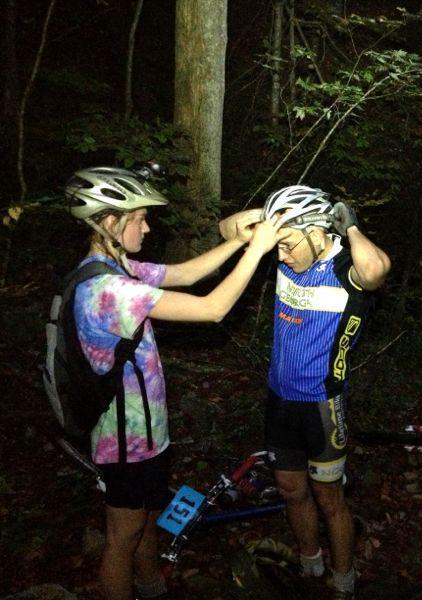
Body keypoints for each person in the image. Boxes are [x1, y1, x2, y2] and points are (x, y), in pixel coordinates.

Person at [65, 164, 276, 600]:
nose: (147, 227)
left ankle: (152, 588)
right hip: (123, 441)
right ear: (111, 222)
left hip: (145, 436)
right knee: (122, 537)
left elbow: (186, 274)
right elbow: (213, 308)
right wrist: (257, 251)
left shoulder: (117, 267)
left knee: (143, 521)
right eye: (139, 218)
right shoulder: (107, 290)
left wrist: (238, 241)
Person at [255, 185, 390, 600]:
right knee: (290, 490)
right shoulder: (290, 255)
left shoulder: (347, 267)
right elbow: (228, 229)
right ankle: (309, 560)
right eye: (278, 245)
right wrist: (274, 220)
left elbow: (376, 270)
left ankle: (343, 579)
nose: (281, 255)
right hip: (279, 400)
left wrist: (350, 226)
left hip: (322, 404)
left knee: (330, 500)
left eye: (288, 245)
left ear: (316, 232)